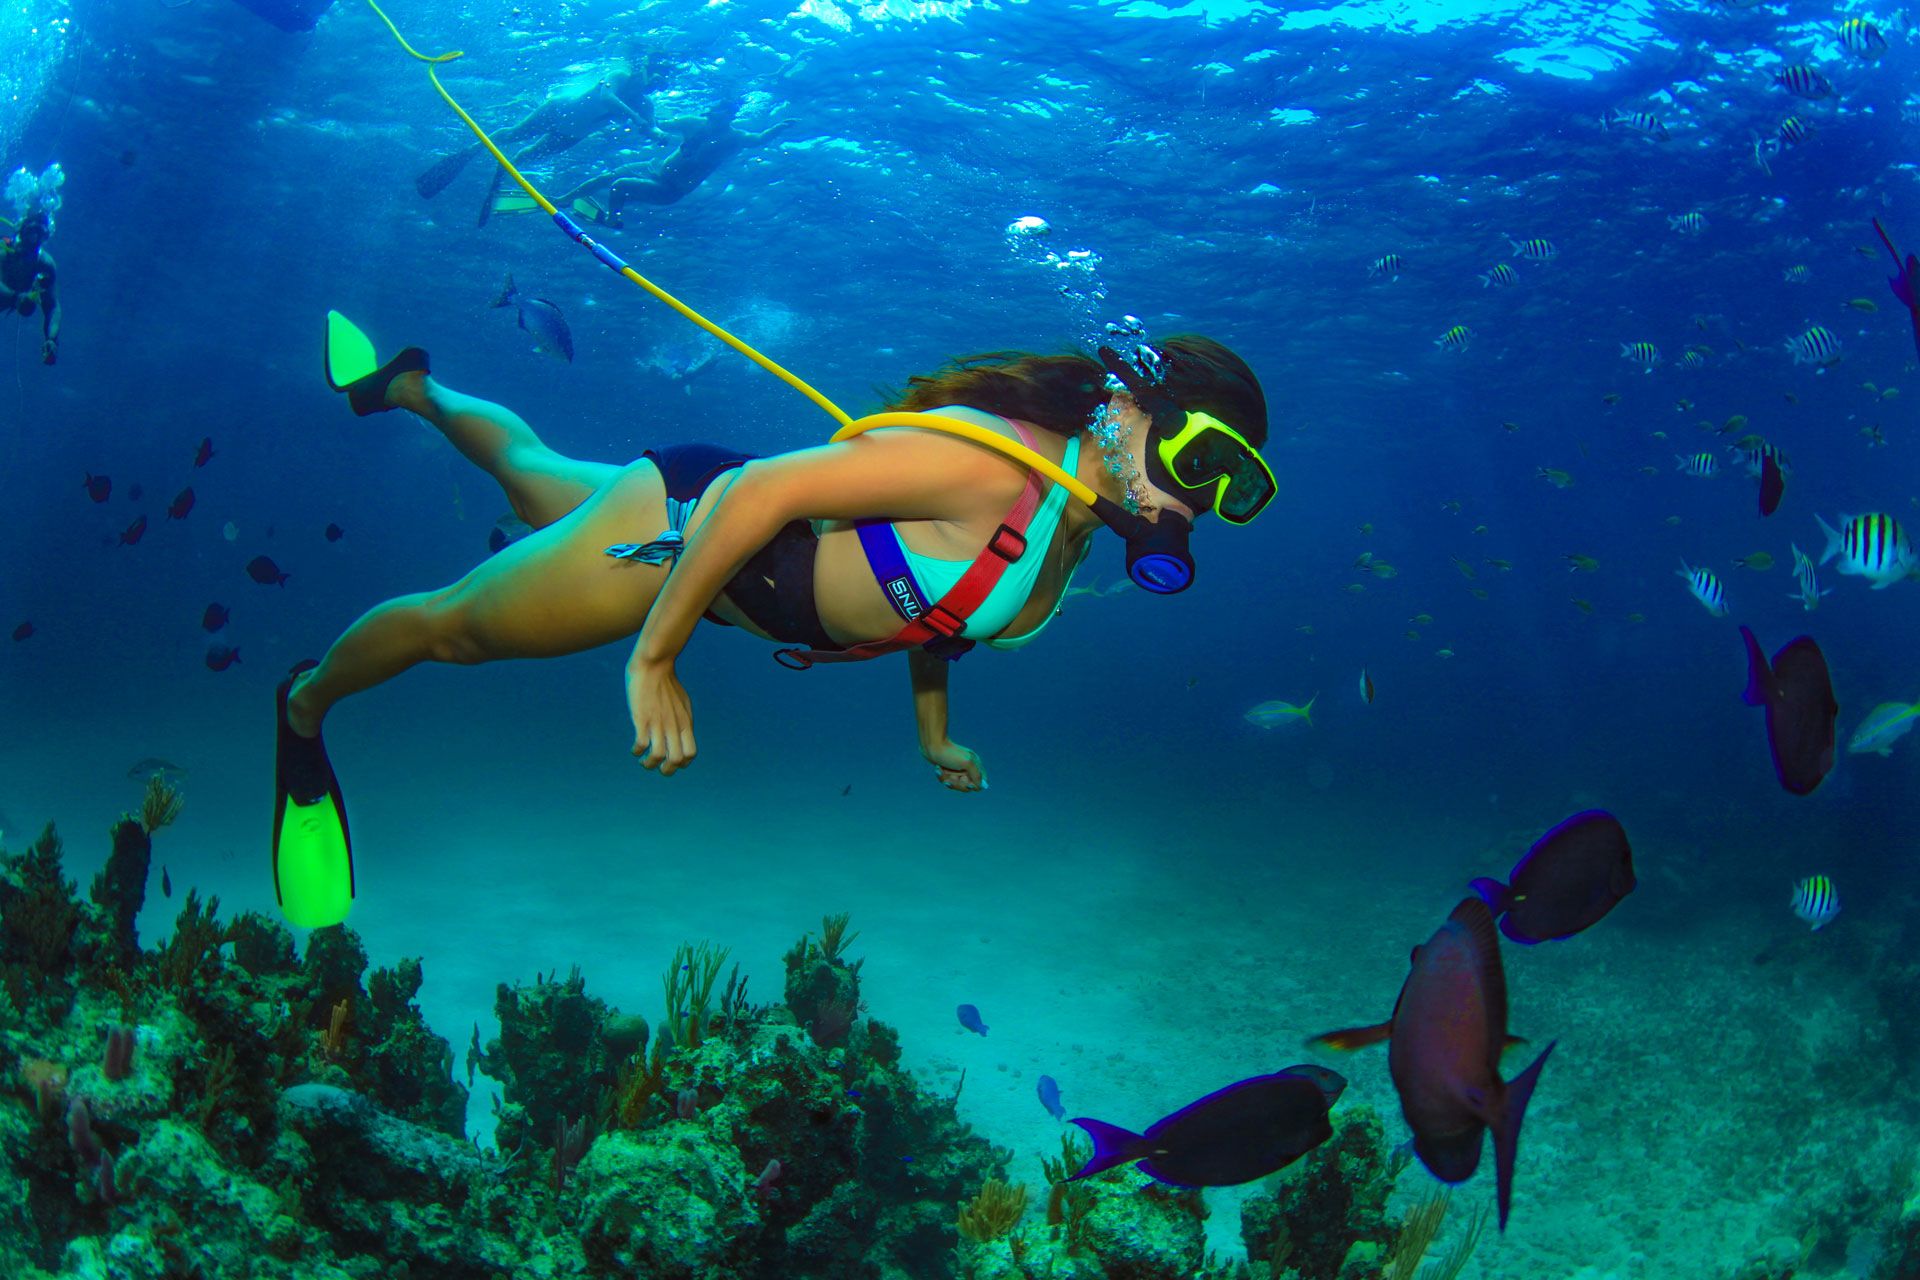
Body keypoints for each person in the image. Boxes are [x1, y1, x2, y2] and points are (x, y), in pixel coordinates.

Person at [273, 311, 1273, 927]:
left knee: (536, 479)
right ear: (1130, 404)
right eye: (1199, 459)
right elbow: (758, 489)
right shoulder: (992, 461)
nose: (1193, 506)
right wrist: (653, 660)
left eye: (1231, 490)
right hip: (684, 530)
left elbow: (944, 613)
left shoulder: (1067, 523)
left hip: (727, 571)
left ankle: (408, 385)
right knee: (458, 628)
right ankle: (306, 702)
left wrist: (935, 733)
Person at [413, 48, 667, 216]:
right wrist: (637, 119)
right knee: (512, 135)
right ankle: (469, 153)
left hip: (572, 134)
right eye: (655, 77)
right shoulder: (620, 75)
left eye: (660, 83)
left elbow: (651, 128)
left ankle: (500, 174)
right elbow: (606, 96)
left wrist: (657, 134)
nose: (654, 86)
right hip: (559, 111)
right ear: (643, 69)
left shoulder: (645, 104)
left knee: (525, 157)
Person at [550, 100, 794, 227]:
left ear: (729, 116)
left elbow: (759, 139)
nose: (712, 113)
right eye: (713, 109)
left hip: (670, 189)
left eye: (719, 111)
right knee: (608, 177)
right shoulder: (693, 122)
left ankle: (613, 219)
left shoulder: (735, 137)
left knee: (620, 185)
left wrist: (779, 127)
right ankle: (565, 199)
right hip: (654, 168)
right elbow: (660, 124)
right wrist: (646, 115)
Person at [1, 211, 60, 365]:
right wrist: (16, 298)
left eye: (40, 235)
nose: (34, 240)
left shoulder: (44, 264)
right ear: (21, 231)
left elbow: (51, 306)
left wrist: (51, 338)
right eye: (31, 234)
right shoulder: (3, 251)